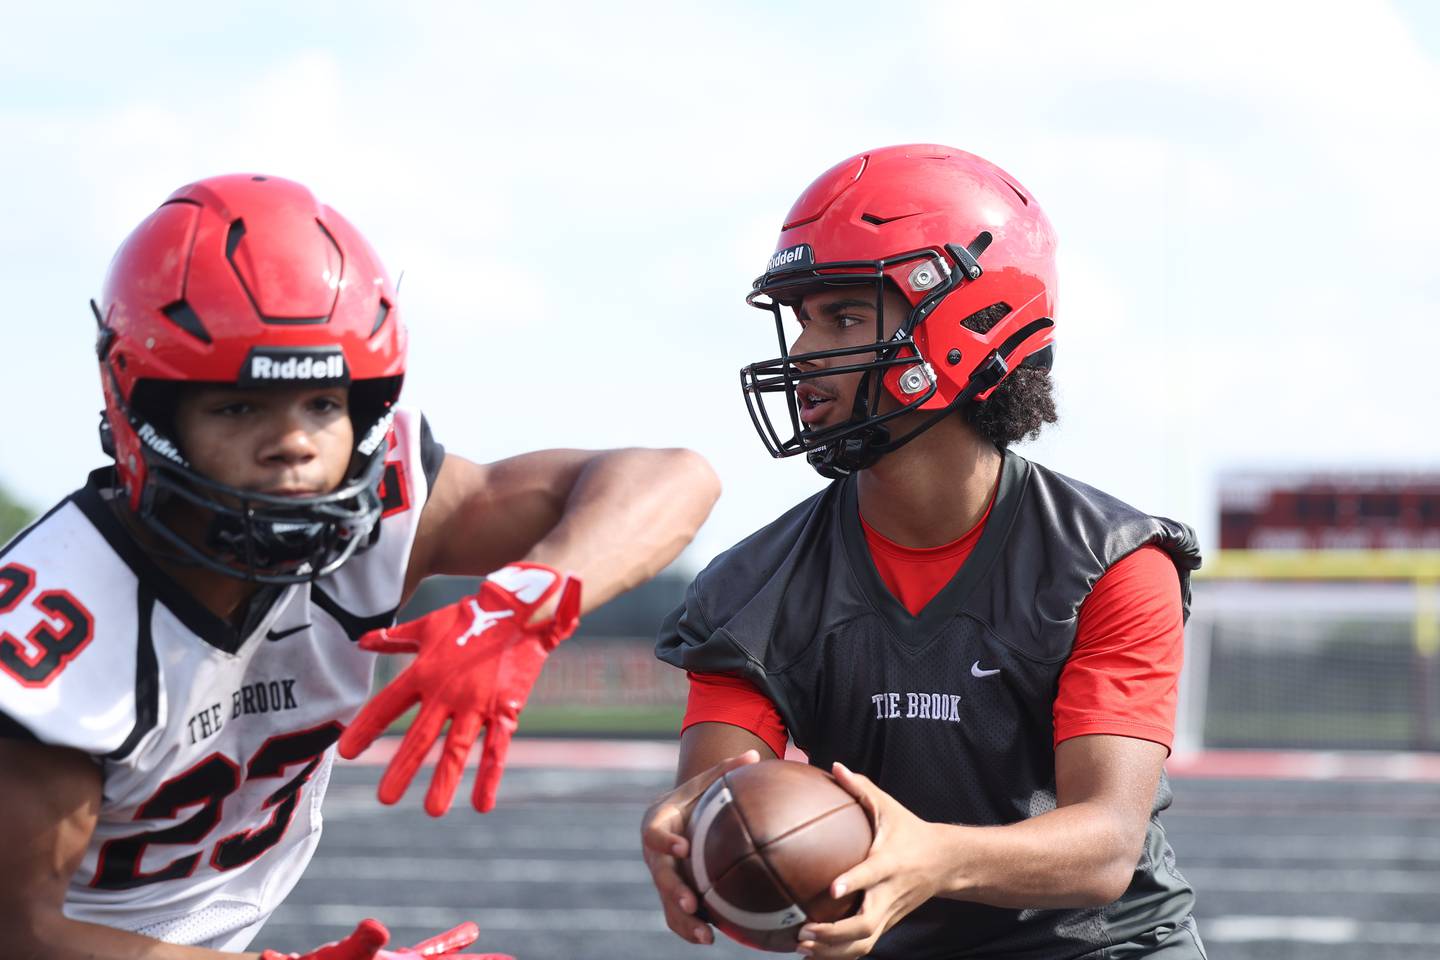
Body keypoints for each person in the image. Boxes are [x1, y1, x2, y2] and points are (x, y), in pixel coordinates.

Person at [0, 173, 720, 959]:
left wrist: (521, 602)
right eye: (239, 406)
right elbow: (21, 933)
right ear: (144, 407)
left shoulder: (383, 506)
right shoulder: (57, 636)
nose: (295, 444)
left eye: (323, 403)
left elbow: (675, 477)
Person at [641, 145, 1206, 959]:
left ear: (968, 324)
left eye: (841, 316)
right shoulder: (753, 586)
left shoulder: (1108, 562)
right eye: (801, 319)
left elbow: (1105, 846)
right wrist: (687, 826)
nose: (802, 351)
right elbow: (722, 789)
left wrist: (930, 857)